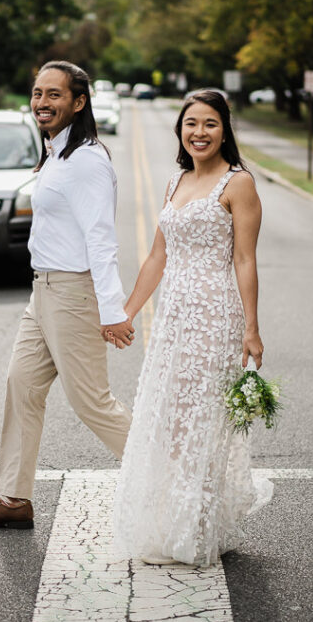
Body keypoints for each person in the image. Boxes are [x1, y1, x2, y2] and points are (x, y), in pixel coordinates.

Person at [0, 61, 135, 529]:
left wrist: (112, 311)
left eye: (54, 95)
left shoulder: (87, 160)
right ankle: (14, 499)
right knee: (22, 385)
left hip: (74, 292)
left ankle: (173, 476)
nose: (42, 103)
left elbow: (101, 239)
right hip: (44, 290)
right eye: (37, 94)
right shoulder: (57, 154)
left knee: (92, 403)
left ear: (79, 102)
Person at [113, 90, 272, 567]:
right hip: (173, 320)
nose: (199, 132)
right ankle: (172, 521)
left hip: (214, 316)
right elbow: (158, 257)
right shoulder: (175, 182)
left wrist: (252, 327)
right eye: (190, 124)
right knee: (172, 424)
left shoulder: (238, 183)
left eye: (209, 124)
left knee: (201, 421)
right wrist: (128, 311)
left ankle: (195, 530)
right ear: (180, 130)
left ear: (225, 130)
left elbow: (245, 259)